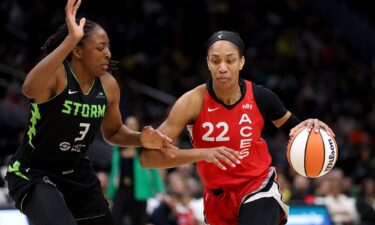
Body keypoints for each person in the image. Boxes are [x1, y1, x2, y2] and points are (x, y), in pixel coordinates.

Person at [4, 0, 179, 225]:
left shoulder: (108, 85)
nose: (108, 53)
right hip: (34, 171)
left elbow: (114, 132)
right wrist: (69, 40)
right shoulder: (58, 75)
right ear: (77, 50)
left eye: (108, 46)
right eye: (100, 47)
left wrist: (140, 139)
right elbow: (29, 89)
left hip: (76, 174)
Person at [140, 30, 335, 225]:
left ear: (241, 62)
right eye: (215, 61)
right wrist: (202, 154)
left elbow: (295, 131)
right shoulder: (191, 102)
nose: (222, 68)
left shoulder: (261, 97)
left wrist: (310, 127)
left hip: (258, 187)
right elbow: (148, 159)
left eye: (230, 60)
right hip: (216, 199)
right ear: (208, 62)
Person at [107, 116, 166, 225]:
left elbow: (153, 170)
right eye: (128, 125)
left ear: (138, 127)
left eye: (133, 125)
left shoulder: (143, 148)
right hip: (121, 189)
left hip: (140, 190)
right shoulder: (117, 147)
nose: (130, 127)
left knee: (139, 221)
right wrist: (109, 192)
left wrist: (160, 189)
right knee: (115, 219)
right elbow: (114, 171)